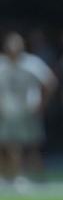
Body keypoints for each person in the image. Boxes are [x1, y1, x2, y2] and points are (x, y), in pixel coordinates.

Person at [0, 32, 56, 188]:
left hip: (28, 111)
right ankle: (13, 177)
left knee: (33, 146)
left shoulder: (31, 63)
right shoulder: (2, 64)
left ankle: (37, 177)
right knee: (9, 145)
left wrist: (42, 103)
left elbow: (50, 81)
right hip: (7, 112)